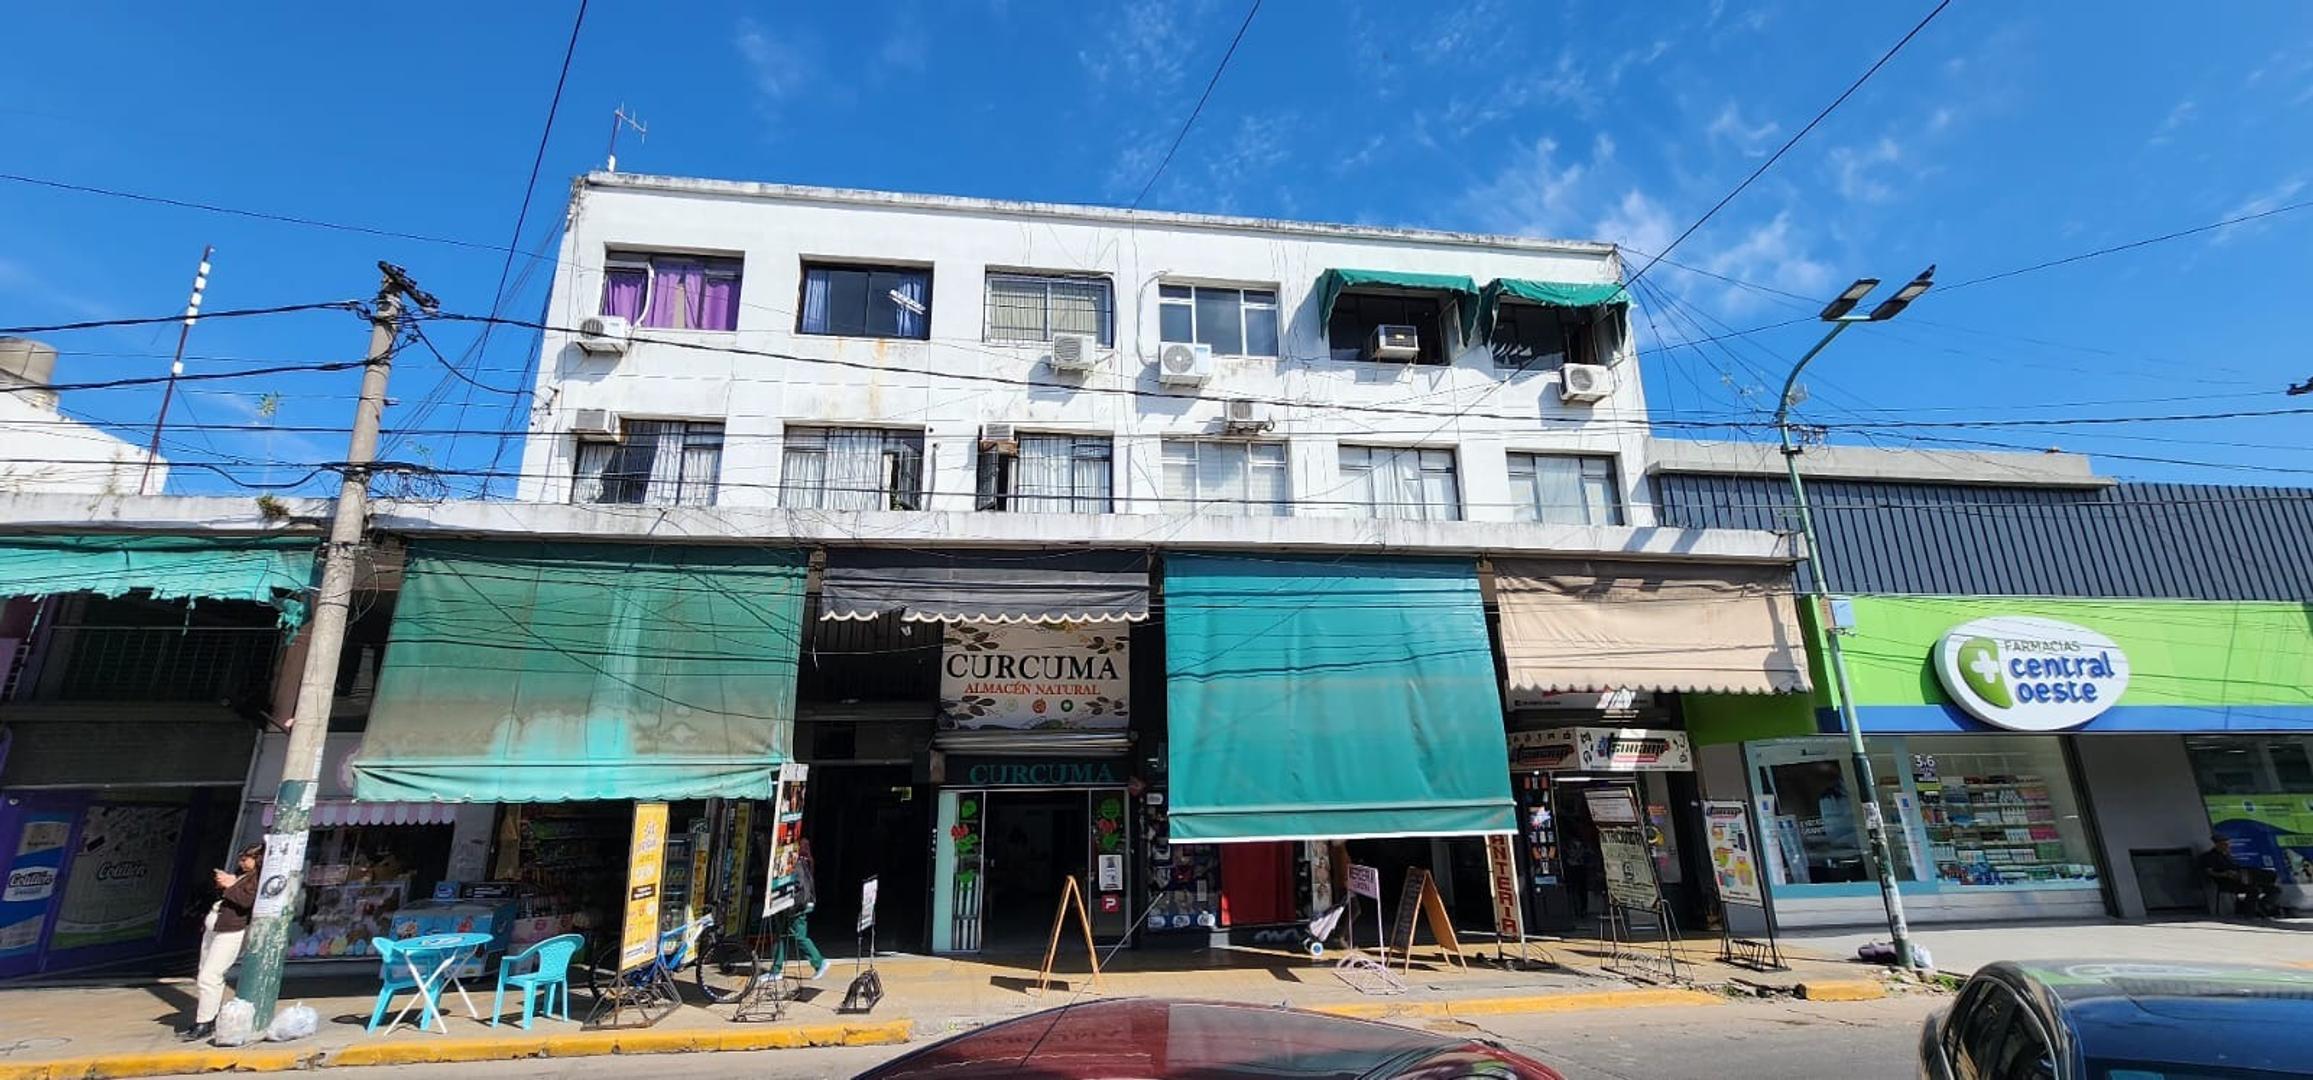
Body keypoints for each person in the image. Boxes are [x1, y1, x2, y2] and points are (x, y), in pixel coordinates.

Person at [181, 844, 263, 1042]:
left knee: (210, 975)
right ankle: (206, 1018)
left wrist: (230, 886)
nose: (242, 862)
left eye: (246, 858)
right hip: (215, 926)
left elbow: (246, 901)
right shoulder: (241, 875)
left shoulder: (259, 879)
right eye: (241, 858)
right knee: (205, 974)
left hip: (232, 930)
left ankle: (205, 1021)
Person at [2200, 833, 2285, 917]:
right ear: (2217, 844)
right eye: (2224, 844)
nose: (2227, 846)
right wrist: (2225, 874)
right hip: (2227, 883)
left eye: (2227, 844)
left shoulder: (2228, 856)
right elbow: (2209, 872)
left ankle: (2263, 906)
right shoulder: (2209, 856)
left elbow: (2237, 868)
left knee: (2275, 889)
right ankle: (2250, 914)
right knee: (2253, 889)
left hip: (2240, 879)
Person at [782, 838, 829, 981]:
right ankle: (776, 968)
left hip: (797, 906)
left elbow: (799, 885)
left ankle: (819, 962)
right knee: (782, 935)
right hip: (801, 904)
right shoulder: (806, 860)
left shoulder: (798, 863)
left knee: (799, 936)